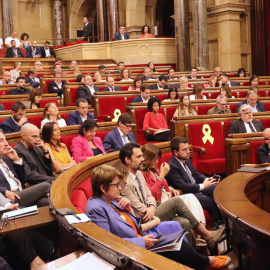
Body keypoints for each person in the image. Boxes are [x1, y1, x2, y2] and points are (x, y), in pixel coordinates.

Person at [86, 164, 231, 270]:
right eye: (116, 185)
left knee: (176, 230)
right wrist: (141, 241)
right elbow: (107, 242)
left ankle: (197, 262)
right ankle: (205, 262)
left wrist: (129, 209)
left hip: (139, 235)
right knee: (177, 248)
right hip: (133, 248)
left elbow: (133, 221)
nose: (120, 188)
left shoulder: (112, 200)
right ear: (103, 188)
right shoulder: (96, 208)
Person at [140, 144, 206, 225]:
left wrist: (171, 189)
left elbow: (165, 188)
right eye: (154, 159)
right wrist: (161, 176)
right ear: (147, 159)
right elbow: (151, 194)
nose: (157, 162)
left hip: (166, 199)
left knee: (191, 198)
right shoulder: (142, 174)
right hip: (158, 205)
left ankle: (200, 231)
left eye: (157, 159)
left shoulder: (154, 170)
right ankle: (202, 231)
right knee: (190, 197)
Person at [165, 137, 223, 225]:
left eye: (188, 148)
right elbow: (183, 186)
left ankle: (226, 222)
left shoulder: (186, 160)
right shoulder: (172, 166)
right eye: (184, 150)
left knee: (216, 188)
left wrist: (208, 179)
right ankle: (218, 224)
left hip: (196, 188)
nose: (188, 151)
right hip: (187, 194)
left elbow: (196, 174)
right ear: (175, 152)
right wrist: (204, 185)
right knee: (210, 201)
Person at [0, 129, 50, 207]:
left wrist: (17, 160)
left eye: (5, 140)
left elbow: (23, 180)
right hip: (8, 199)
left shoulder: (6, 160)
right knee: (45, 186)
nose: (6, 143)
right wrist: (4, 191)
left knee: (48, 202)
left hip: (21, 194)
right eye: (1, 141)